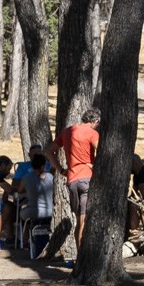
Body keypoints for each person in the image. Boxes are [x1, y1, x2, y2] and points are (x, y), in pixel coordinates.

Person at [47, 108, 101, 260]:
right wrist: (93, 165)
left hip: (71, 179)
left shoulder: (67, 131)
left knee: (79, 221)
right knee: (84, 221)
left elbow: (49, 151)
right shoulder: (92, 133)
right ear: (95, 121)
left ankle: (79, 258)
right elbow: (102, 153)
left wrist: (61, 170)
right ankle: (83, 259)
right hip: (87, 179)